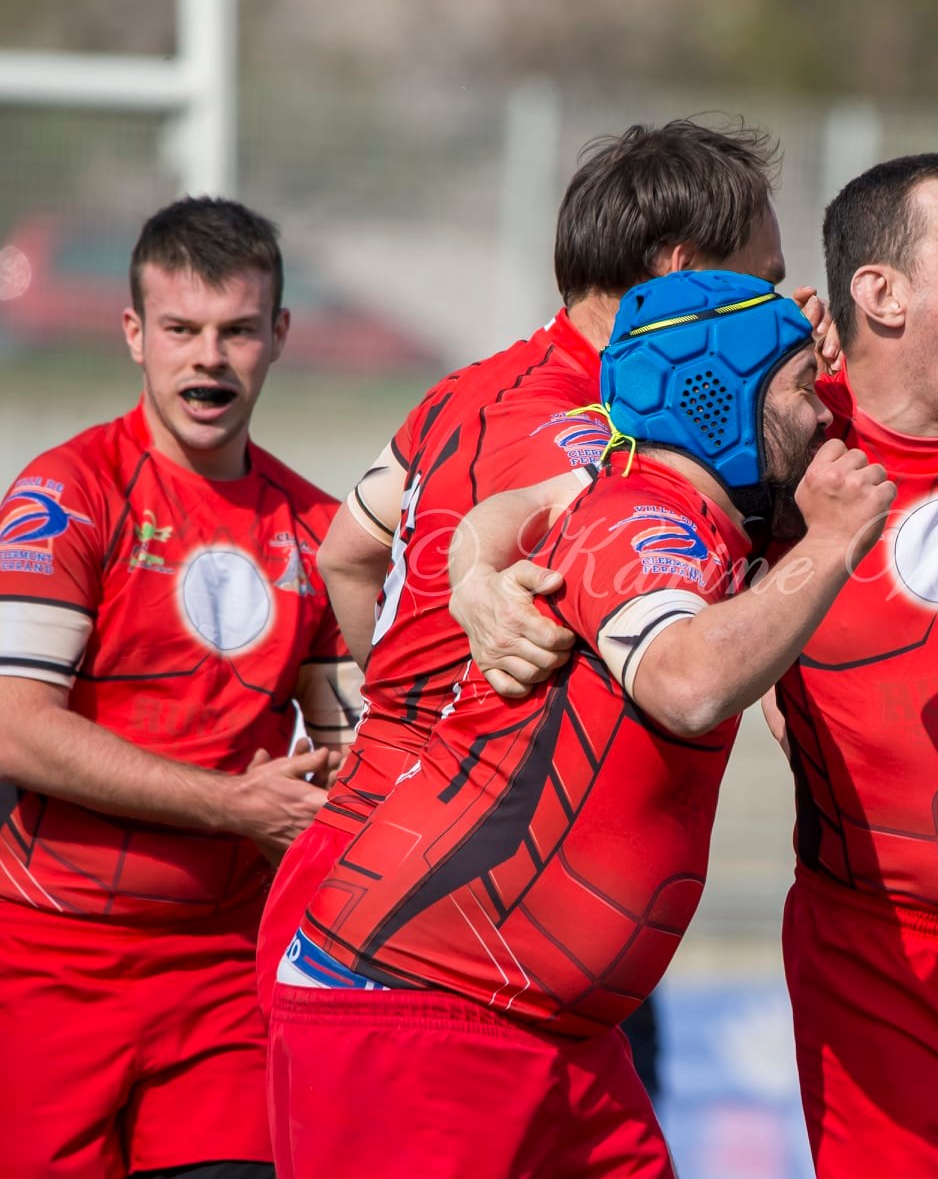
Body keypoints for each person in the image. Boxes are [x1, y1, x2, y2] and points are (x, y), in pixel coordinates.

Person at [454, 0, 938, 1173]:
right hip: (886, 974)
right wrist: (472, 571)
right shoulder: (781, 444)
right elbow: (568, 501)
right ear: (883, 292)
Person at [267, 273, 893, 1179]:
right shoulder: (645, 523)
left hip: (553, 1034)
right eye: (802, 390)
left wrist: (474, 565)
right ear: (723, 400)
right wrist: (832, 546)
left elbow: (520, 506)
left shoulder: (660, 498)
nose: (825, 416)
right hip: (418, 1010)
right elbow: (685, 682)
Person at [254, 120, 833, 1093]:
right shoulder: (615, 437)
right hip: (445, 925)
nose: (782, 304)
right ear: (684, 272)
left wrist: (388, 723)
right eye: (764, 280)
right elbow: (684, 663)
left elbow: (348, 552)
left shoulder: (474, 389)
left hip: (376, 864)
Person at [0, 198, 358, 1179]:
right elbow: (13, 730)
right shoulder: (64, 494)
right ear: (133, 335)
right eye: (182, 330)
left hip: (222, 975)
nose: (209, 359)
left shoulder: (322, 531)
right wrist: (233, 804)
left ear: (280, 335)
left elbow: (363, 747)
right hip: (45, 965)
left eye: (238, 330)